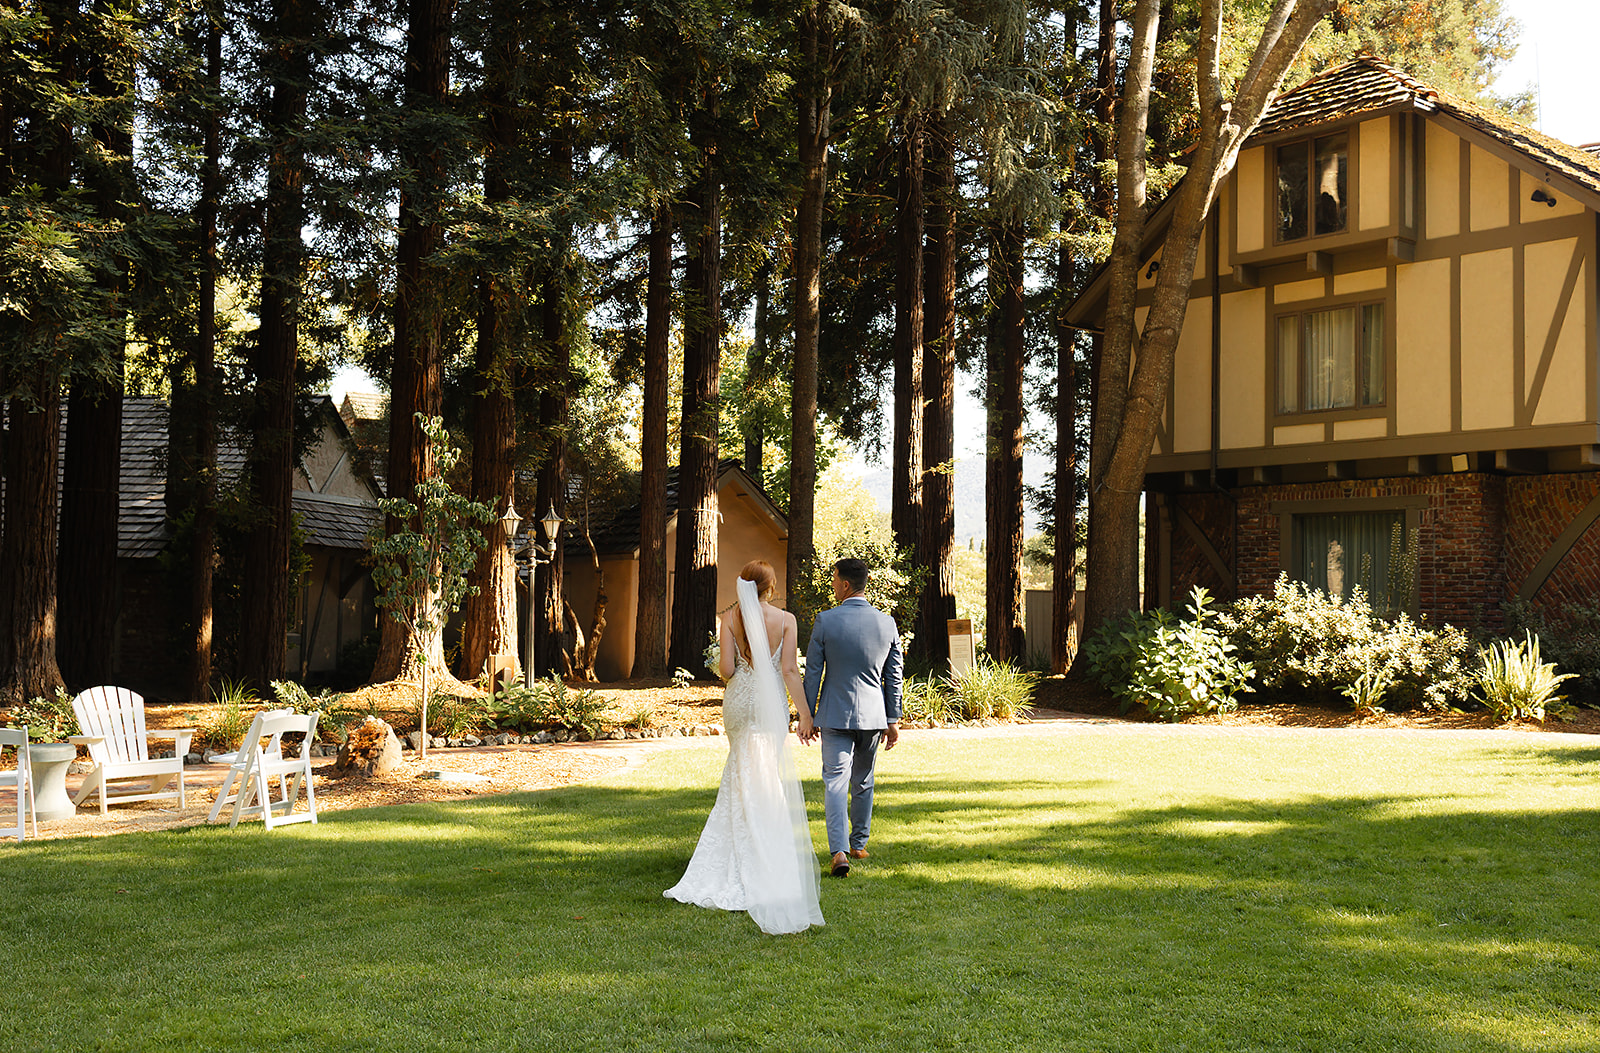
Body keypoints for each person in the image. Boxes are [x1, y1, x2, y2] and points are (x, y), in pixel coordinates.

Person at [664, 560, 824, 934]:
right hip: (769, 702)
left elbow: (727, 670)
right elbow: (788, 670)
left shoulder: (730, 619)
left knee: (740, 769)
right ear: (770, 587)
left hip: (739, 700)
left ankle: (736, 850)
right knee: (765, 771)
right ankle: (764, 845)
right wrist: (804, 713)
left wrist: (737, 660)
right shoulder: (785, 620)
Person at [802, 556, 903, 878]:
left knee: (835, 782)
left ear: (845, 584)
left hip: (834, 714)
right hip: (873, 716)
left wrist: (807, 714)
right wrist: (893, 718)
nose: (833, 585)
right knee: (863, 780)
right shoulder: (887, 623)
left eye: (834, 580)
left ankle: (839, 852)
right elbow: (894, 674)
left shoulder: (826, 621)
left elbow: (813, 672)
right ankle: (858, 843)